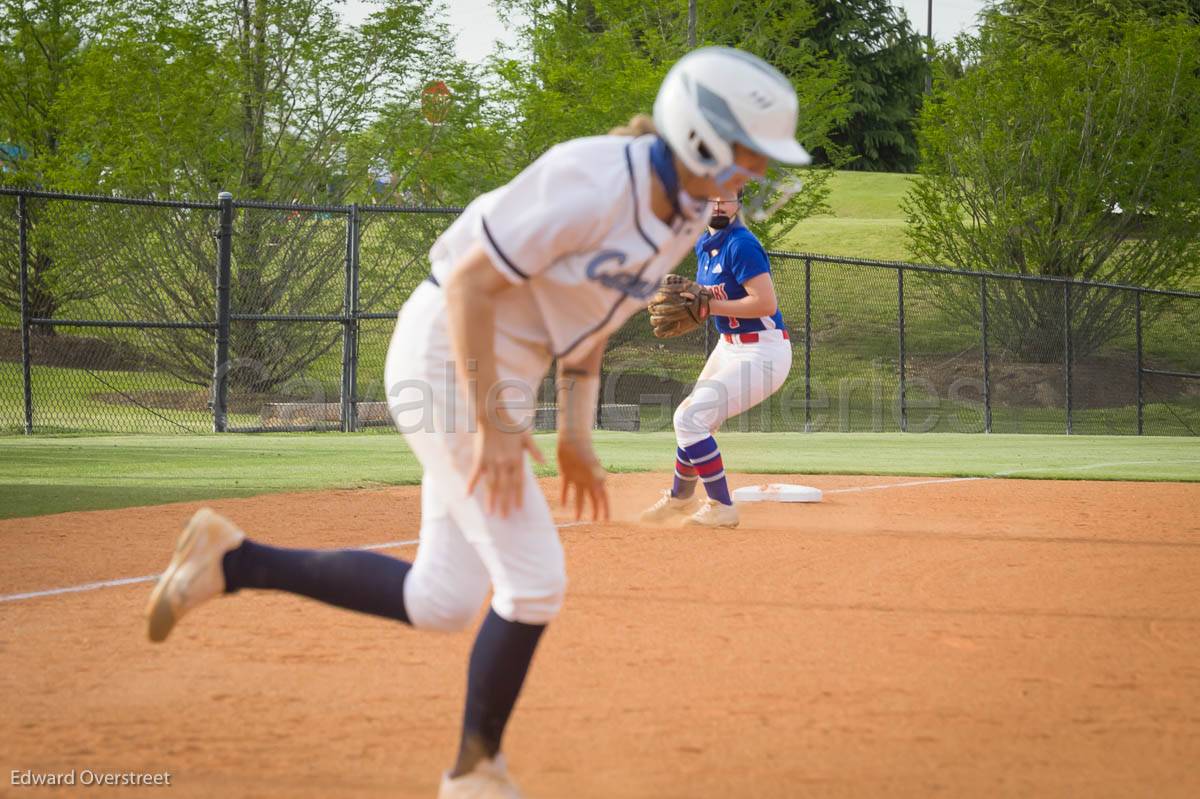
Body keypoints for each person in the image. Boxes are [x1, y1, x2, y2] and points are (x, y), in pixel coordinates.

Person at [144, 46, 810, 798]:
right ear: (702, 138)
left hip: (501, 373)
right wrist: (496, 425)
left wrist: (575, 437)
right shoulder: (593, 179)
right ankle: (474, 772)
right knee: (535, 580)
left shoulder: (685, 215)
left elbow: (589, 330)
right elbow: (466, 285)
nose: (754, 173)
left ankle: (231, 560)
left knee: (442, 598)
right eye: (748, 155)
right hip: (447, 354)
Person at [640, 189, 794, 529]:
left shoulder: (741, 245)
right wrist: (694, 298)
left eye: (727, 197)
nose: (719, 205)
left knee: (690, 418)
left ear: (739, 201)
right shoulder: (705, 245)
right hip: (729, 346)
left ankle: (721, 506)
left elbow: (765, 304)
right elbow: (708, 297)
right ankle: (681, 497)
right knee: (694, 420)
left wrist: (708, 305)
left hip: (763, 351)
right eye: (710, 198)